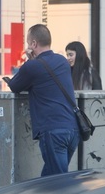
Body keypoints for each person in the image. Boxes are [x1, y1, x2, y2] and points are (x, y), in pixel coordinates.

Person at [6, 24, 79, 176]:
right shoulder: (62, 61)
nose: (28, 46)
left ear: (33, 44)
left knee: (57, 181)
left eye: (28, 43)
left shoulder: (32, 67)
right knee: (49, 177)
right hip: (73, 129)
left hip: (53, 131)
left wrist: (28, 60)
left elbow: (14, 86)